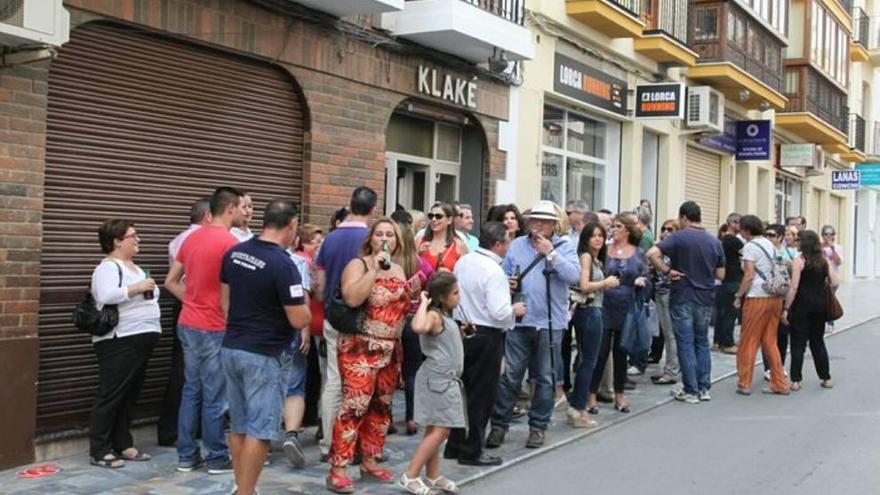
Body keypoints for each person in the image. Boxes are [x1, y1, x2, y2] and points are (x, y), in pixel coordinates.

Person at [219, 200, 311, 495]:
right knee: (260, 429)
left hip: (232, 346)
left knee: (239, 423)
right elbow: (298, 318)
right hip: (265, 354)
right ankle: (246, 492)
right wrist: (308, 313)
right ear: (292, 225)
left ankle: (241, 486)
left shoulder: (235, 253)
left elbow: (224, 303)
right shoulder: (284, 264)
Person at [326, 219, 417, 493]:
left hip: (391, 347)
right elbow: (352, 298)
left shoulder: (400, 269)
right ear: (371, 239)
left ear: (398, 241)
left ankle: (370, 459)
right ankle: (338, 467)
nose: (385, 238)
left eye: (390, 234)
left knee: (381, 407)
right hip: (361, 347)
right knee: (355, 406)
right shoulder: (360, 264)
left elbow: (400, 307)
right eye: (380, 234)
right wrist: (374, 269)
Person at [486, 200, 579, 450]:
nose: (537, 225)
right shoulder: (516, 245)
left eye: (543, 221)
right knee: (510, 376)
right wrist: (508, 282)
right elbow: (502, 274)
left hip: (551, 322)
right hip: (520, 321)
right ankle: (498, 426)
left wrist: (551, 254)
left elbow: (574, 277)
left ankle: (538, 427)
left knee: (546, 378)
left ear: (553, 225)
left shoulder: (564, 246)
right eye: (534, 220)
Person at [165, 186, 245, 473]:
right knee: (215, 395)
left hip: (188, 322)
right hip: (214, 325)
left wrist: (193, 300)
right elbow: (234, 290)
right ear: (231, 208)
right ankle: (216, 457)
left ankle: (186, 456)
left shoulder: (191, 238)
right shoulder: (230, 243)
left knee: (192, 390)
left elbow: (171, 281)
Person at [444, 222, 524, 466]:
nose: (509, 246)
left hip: (461, 328)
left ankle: (455, 443)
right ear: (498, 244)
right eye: (508, 241)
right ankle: (472, 449)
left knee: (461, 390)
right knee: (481, 394)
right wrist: (515, 310)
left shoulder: (464, 261)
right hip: (486, 334)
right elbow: (499, 313)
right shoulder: (494, 271)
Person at [88, 220, 160, 468]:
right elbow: (105, 295)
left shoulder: (136, 267)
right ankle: (99, 450)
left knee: (129, 395)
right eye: (133, 235)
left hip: (142, 338)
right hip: (119, 340)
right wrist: (138, 287)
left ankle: (123, 443)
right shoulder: (108, 267)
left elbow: (151, 294)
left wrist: (144, 287)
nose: (138, 239)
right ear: (117, 241)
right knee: (111, 394)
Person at [314, 187, 377, 462]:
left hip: (333, 316)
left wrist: (328, 303)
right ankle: (355, 444)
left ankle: (328, 442)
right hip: (365, 319)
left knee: (333, 381)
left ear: (350, 205)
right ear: (373, 209)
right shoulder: (372, 239)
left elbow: (319, 284)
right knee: (361, 383)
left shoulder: (330, 238)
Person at [647, 201, 725, 404]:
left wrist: (667, 270)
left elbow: (651, 254)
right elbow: (721, 273)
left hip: (682, 295)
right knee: (702, 342)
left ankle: (690, 389)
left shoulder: (678, 238)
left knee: (685, 343)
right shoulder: (714, 242)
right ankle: (704, 387)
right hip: (705, 297)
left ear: (683, 217)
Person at [399, 273, 465, 495]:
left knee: (435, 426)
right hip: (439, 380)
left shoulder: (444, 316)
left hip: (444, 379)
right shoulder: (433, 316)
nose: (459, 296)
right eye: (455, 293)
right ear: (442, 297)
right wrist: (423, 303)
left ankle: (433, 474)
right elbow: (418, 327)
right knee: (441, 429)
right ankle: (410, 475)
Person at [158, 197, 211, 447]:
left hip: (184, 305)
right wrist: (193, 301)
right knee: (187, 372)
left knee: (186, 370)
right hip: (194, 305)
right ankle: (175, 430)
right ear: (208, 216)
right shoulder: (197, 240)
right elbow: (179, 280)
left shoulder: (179, 239)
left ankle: (180, 429)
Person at [586, 214, 647, 414]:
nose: (613, 229)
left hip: (627, 306)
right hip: (604, 304)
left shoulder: (638, 253)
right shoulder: (605, 251)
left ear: (628, 230)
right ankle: (591, 395)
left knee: (622, 352)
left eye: (618, 226)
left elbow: (647, 278)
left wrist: (641, 281)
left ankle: (619, 394)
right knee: (600, 352)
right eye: (612, 226)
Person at [568, 221, 618, 427]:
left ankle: (578, 407)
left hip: (593, 311)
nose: (598, 239)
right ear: (586, 239)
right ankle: (579, 409)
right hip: (589, 311)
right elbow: (584, 285)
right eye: (593, 235)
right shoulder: (586, 257)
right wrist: (605, 284)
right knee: (589, 361)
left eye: (601, 235)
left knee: (587, 360)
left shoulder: (597, 259)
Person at [733, 215, 789, 396]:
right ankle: (780, 383)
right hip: (775, 297)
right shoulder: (769, 244)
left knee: (748, 340)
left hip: (757, 297)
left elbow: (749, 274)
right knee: (770, 341)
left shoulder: (750, 247)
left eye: (741, 229)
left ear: (747, 230)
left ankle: (745, 382)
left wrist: (738, 295)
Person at [281, 224, 321, 468]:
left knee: (267, 384)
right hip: (290, 328)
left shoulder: (245, 255)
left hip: (261, 333)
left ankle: (259, 443)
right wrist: (304, 329)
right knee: (294, 383)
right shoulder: (298, 263)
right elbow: (303, 298)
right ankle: (291, 434)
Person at [782, 230, 838, 390]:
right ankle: (825, 377)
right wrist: (827, 293)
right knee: (818, 341)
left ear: (804, 243)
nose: (797, 242)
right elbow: (835, 282)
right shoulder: (824, 260)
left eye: (799, 240)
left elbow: (793, 287)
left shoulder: (799, 260)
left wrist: (786, 307)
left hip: (801, 306)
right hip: (819, 306)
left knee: (797, 343)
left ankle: (796, 380)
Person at [395, 215, 431, 437]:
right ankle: (411, 416)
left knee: (388, 372)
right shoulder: (421, 263)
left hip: (390, 321)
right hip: (413, 322)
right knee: (412, 371)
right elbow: (434, 283)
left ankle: (385, 418)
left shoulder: (386, 264)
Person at [649, 219, 680, 386]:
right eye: (664, 228)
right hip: (659, 292)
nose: (666, 232)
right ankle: (670, 367)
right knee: (666, 333)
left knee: (670, 333)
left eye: (671, 229)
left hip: (668, 293)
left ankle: (672, 371)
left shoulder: (672, 249)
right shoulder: (660, 247)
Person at [714, 213, 743, 354]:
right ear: (732, 223)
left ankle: (718, 341)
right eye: (739, 223)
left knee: (723, 313)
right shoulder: (733, 240)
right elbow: (747, 255)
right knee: (731, 313)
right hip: (733, 279)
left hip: (725, 280)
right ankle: (727, 342)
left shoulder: (723, 240)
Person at [418, 202, 468, 272]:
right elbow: (407, 268)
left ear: (449, 220)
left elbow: (465, 274)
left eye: (439, 216)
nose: (434, 219)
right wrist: (417, 253)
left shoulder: (458, 245)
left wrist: (449, 274)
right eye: (431, 216)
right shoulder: (419, 241)